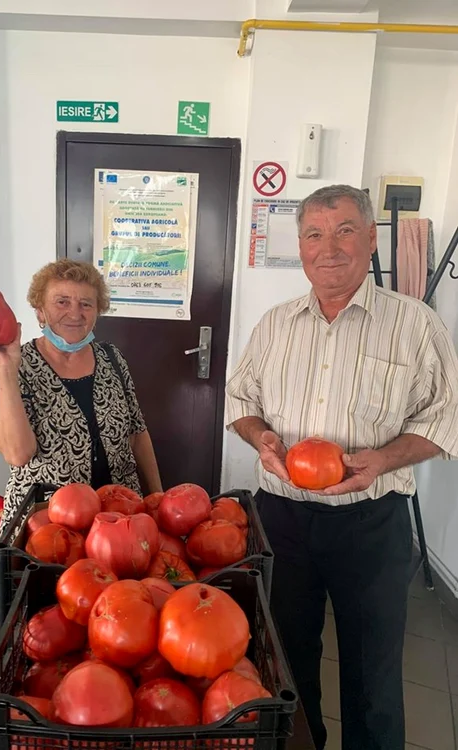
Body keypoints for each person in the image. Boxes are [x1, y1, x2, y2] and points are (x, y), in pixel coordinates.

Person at [226, 185, 458, 750]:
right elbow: (240, 402)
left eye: (344, 230)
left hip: (371, 521)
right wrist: (264, 439)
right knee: (285, 658)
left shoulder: (415, 324)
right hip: (281, 517)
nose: (328, 247)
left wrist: (384, 459)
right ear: (300, 246)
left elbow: (445, 418)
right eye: (314, 234)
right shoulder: (275, 324)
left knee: (371, 670)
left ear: (371, 239)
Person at [0, 259, 162, 531]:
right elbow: (18, 454)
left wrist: (156, 499)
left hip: (120, 516)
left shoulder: (112, 358)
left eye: (86, 304)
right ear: (40, 311)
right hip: (48, 522)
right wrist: (7, 368)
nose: (75, 313)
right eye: (62, 302)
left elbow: (138, 434)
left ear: (97, 312)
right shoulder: (13, 368)